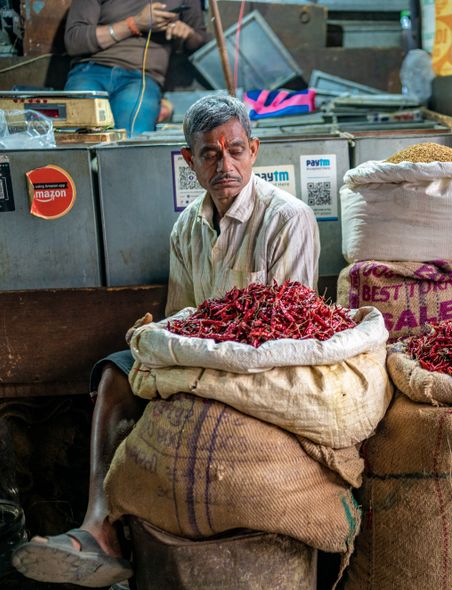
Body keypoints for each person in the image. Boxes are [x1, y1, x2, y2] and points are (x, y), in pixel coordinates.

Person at [11, 95, 321, 588]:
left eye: (235, 151)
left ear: (254, 151)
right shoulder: (187, 227)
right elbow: (182, 315)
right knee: (115, 371)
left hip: (262, 365)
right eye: (210, 154)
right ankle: (99, 528)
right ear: (189, 161)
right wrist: (157, 343)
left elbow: (290, 330)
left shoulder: (288, 219)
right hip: (200, 356)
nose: (225, 165)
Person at [64, 1, 208, 136]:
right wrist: (134, 24)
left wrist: (188, 34)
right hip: (90, 70)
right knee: (75, 136)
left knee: (132, 138)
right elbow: (74, 41)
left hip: (140, 78)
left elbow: (202, 42)